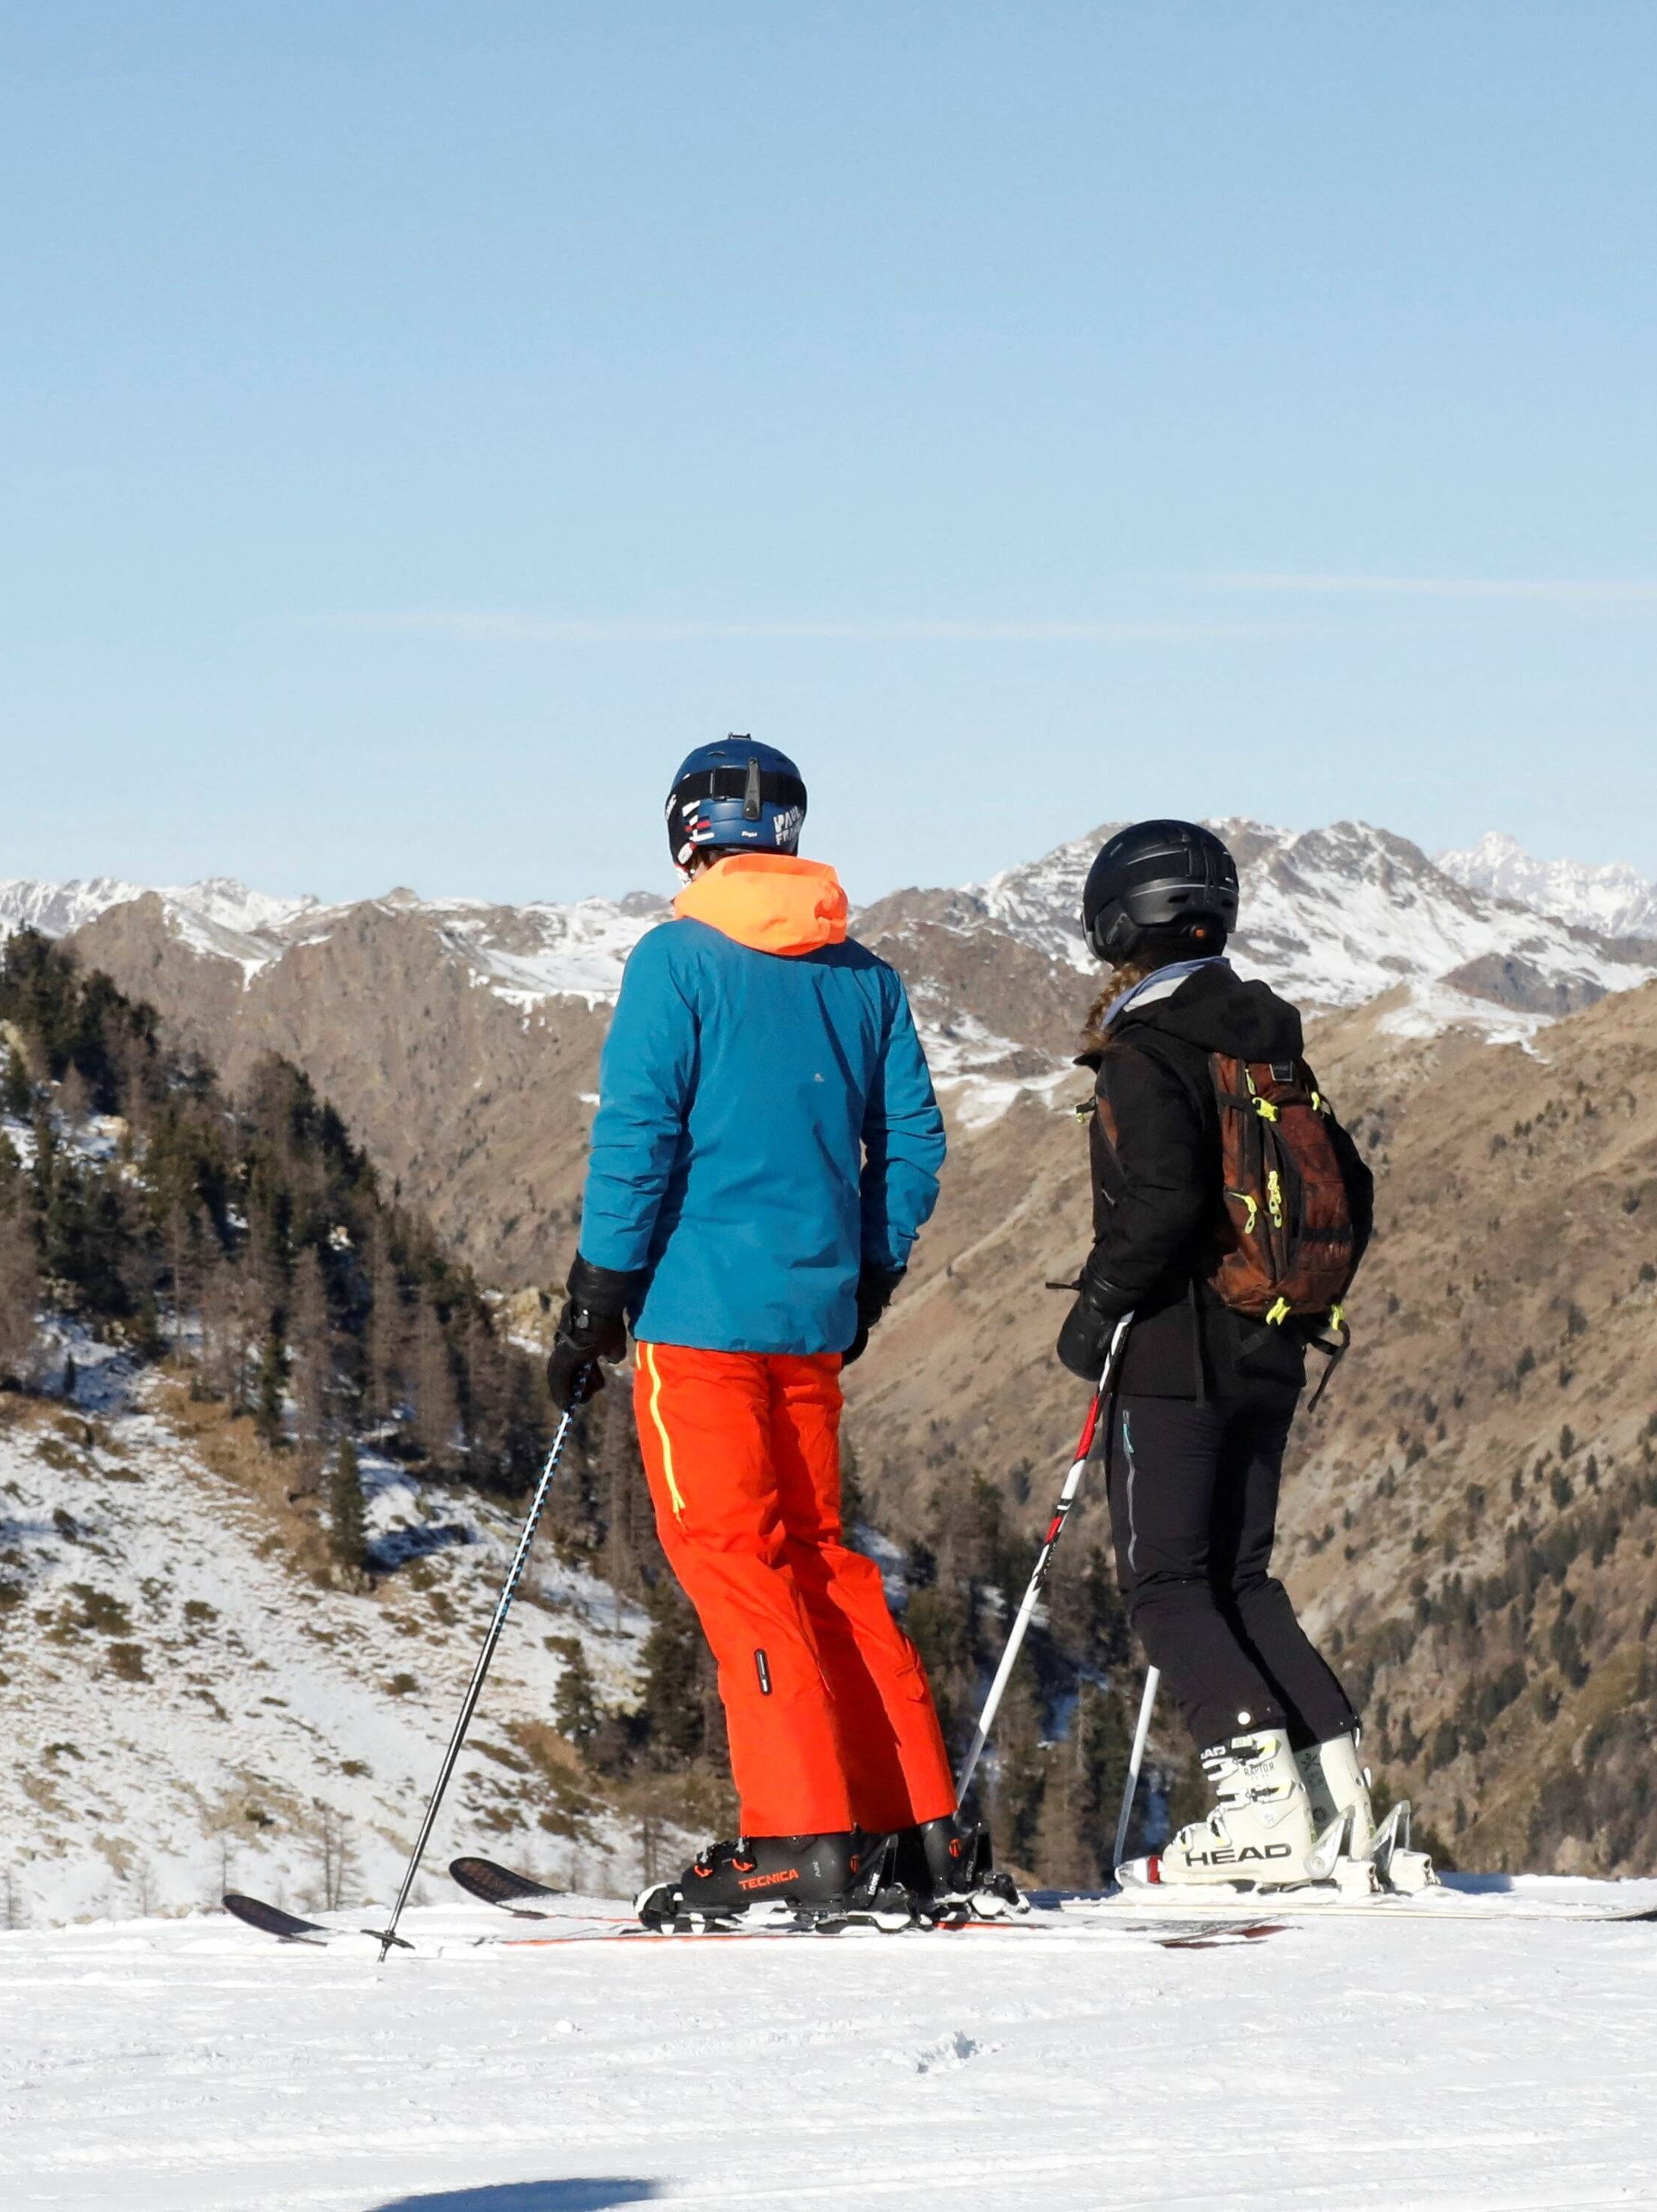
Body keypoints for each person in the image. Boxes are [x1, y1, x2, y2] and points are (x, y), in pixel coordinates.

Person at [546, 734, 978, 1927]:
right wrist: (870, 1278)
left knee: (737, 1565)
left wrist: (597, 1295)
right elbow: (915, 1147)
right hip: (809, 1321)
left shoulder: (676, 960)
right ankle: (917, 1827)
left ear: (688, 830)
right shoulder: (864, 978)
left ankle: (795, 1838)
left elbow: (640, 1139)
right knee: (823, 1560)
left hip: (695, 1320)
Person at [1053, 819, 1383, 1892]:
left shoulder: (1150, 1049)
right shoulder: (1267, 1039)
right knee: (1242, 1576)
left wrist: (1097, 1309)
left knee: (1163, 1585)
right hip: (1273, 1345)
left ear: (1121, 922)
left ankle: (1257, 1811)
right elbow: (1354, 1188)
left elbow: (1161, 1205)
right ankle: (1339, 1800)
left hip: (1174, 1356)